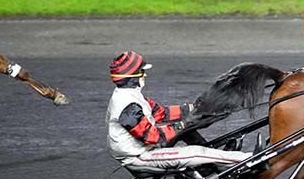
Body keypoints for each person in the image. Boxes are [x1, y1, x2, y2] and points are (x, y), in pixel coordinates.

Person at [106, 51, 252, 171]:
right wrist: (183, 124)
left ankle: (217, 163)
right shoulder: (127, 105)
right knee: (196, 153)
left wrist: (195, 107)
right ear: (132, 77)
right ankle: (247, 159)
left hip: (142, 148)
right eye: (142, 72)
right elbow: (152, 137)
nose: (145, 75)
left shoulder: (132, 95)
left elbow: (161, 113)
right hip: (138, 156)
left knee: (189, 130)